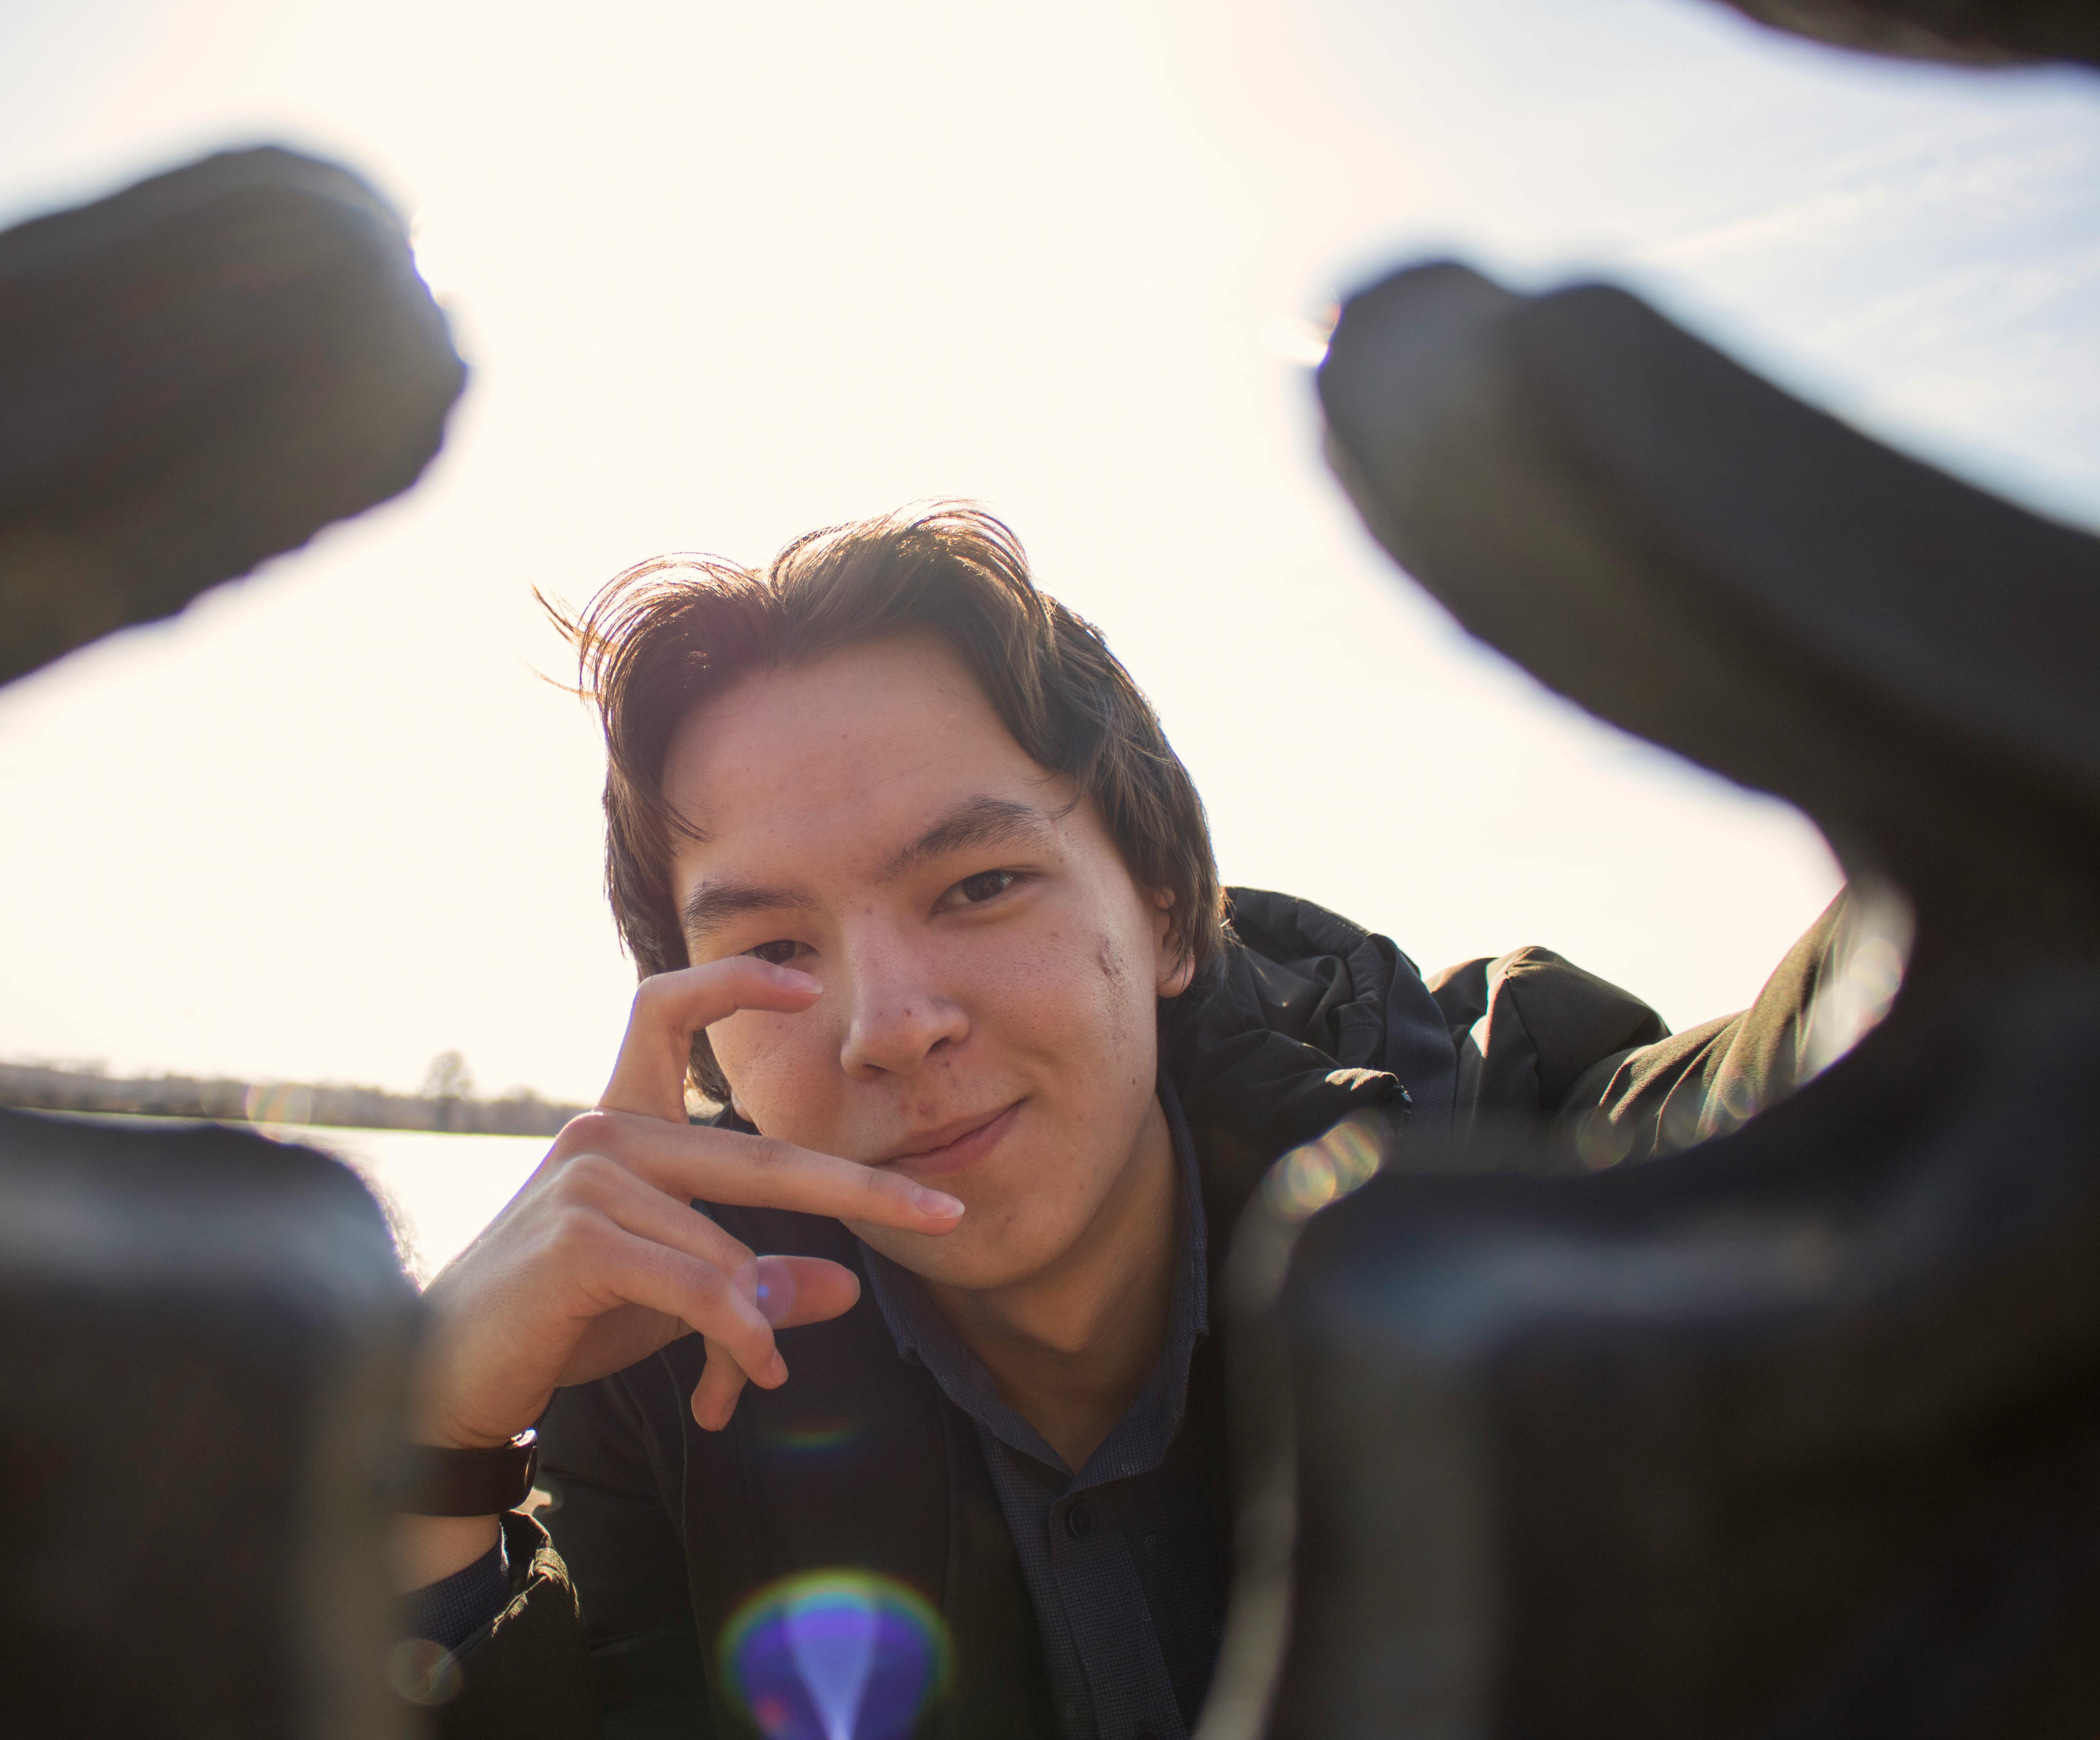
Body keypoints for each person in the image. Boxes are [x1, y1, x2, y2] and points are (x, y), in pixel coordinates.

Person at [394, 502, 1879, 1740]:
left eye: (978, 886)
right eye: (774, 951)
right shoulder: (665, 1382)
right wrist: (425, 1450)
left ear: (1167, 913)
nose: (888, 1022)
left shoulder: (1505, 1158)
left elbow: (1828, 1081)